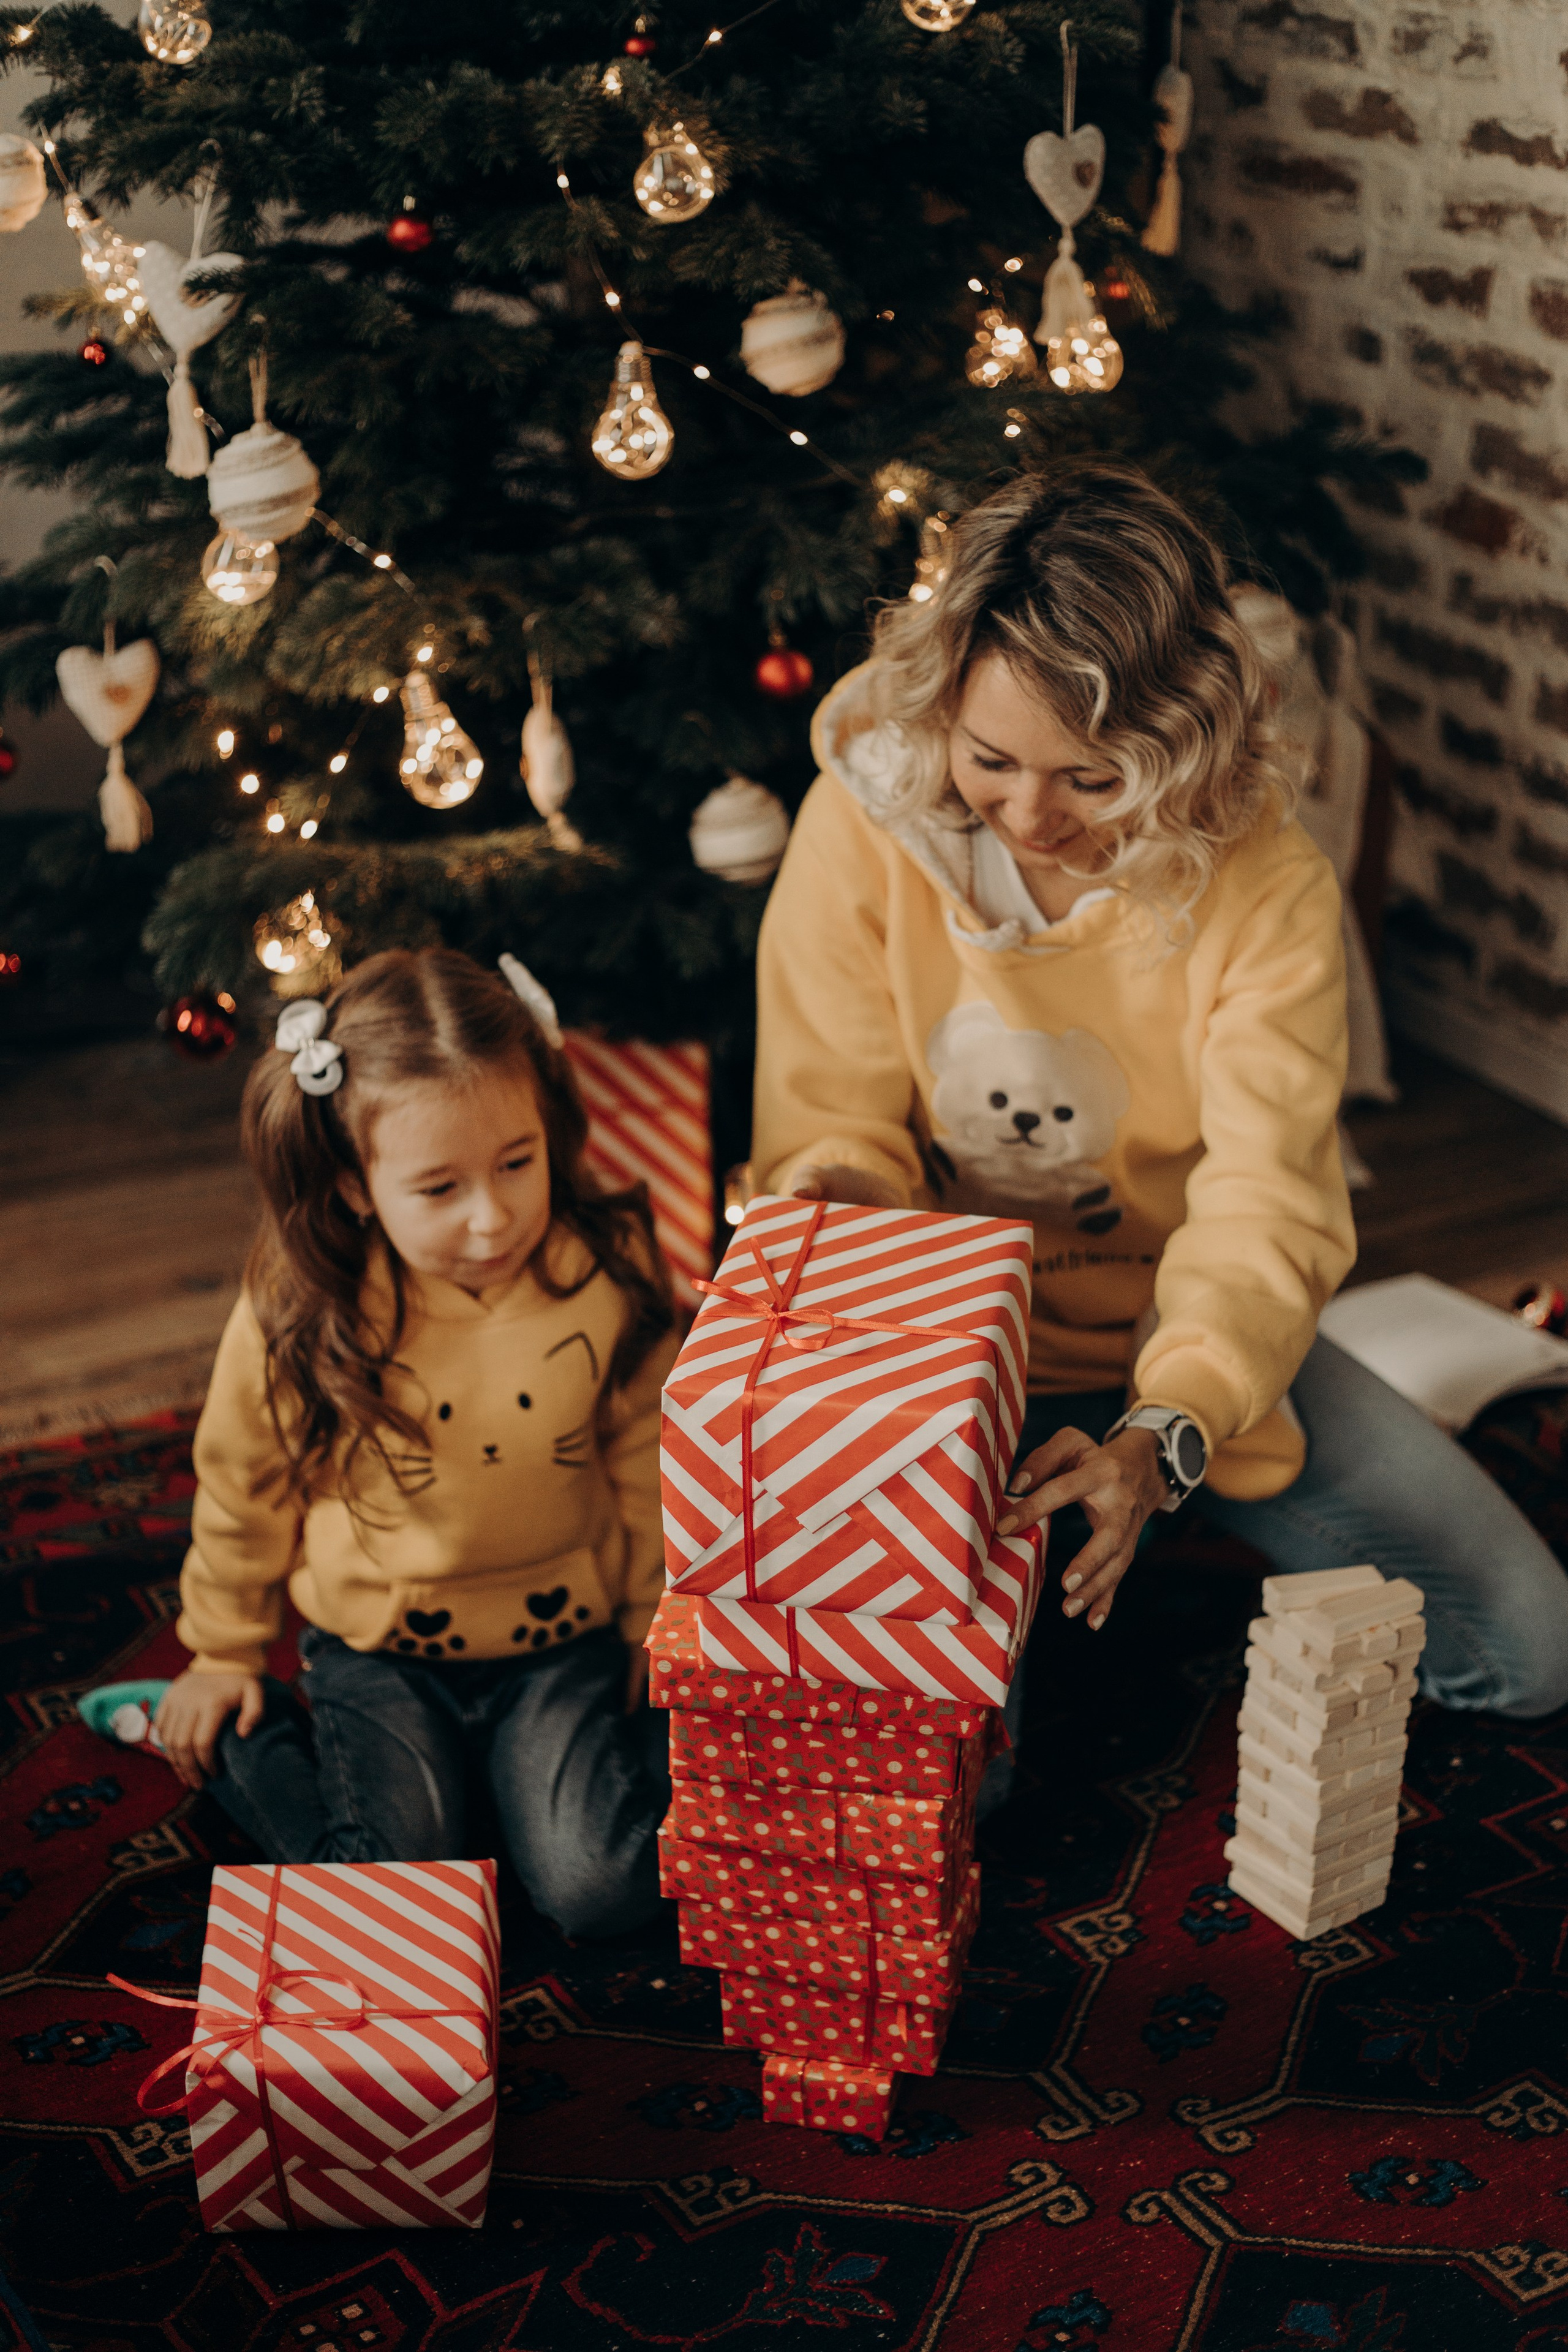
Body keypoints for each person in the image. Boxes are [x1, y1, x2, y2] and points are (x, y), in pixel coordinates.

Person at [750, 462, 1568, 1721]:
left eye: (1091, 779)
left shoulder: (1266, 883)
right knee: (938, 1753)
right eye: (989, 761)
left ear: (1175, 745)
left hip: (1181, 1332)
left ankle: (1136, 1526)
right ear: (942, 717)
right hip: (941, 1354)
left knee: (1529, 1654)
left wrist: (1163, 1430)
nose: (1030, 815)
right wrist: (837, 1203)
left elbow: (1258, 1207)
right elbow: (831, 1116)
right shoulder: (859, 822)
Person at [82, 947, 679, 1937]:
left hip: (556, 1642)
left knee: (602, 1896)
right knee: (391, 1905)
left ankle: (506, 1793)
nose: (493, 1219)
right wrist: (225, 1652)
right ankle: (255, 1739)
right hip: (381, 1652)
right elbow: (244, 1485)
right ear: (357, 1186)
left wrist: (648, 1618)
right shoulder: (302, 1311)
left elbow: (642, 1456)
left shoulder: (603, 1271)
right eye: (439, 1189)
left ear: (550, 1132)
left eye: (517, 1164)